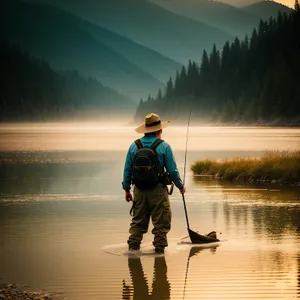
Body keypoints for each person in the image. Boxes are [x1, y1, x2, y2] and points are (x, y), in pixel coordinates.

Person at [122, 112, 186, 254]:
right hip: (158, 192)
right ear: (159, 130)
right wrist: (180, 186)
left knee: (137, 224)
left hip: (139, 191)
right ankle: (159, 256)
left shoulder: (134, 146)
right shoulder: (164, 147)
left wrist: (127, 189)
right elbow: (173, 171)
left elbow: (127, 169)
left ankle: (132, 254)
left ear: (145, 129)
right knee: (161, 225)